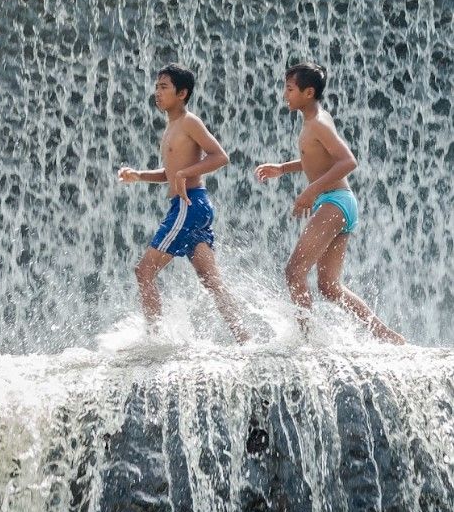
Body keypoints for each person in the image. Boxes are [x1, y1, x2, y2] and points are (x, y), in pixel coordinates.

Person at [254, 62, 404, 343]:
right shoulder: (314, 121)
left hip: (334, 202)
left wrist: (310, 192)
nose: (285, 94)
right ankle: (389, 337)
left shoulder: (319, 123)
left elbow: (348, 161)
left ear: (308, 92)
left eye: (289, 89)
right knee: (329, 287)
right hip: (340, 203)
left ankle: (307, 340)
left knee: (294, 271)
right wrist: (282, 169)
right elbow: (316, 160)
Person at [117, 63, 249, 343]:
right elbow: (170, 172)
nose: (157, 92)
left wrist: (185, 173)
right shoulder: (171, 127)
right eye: (156, 87)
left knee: (144, 271)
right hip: (195, 206)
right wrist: (139, 175)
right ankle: (245, 338)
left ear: (182, 93)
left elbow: (220, 156)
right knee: (211, 281)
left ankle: (155, 339)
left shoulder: (189, 122)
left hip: (188, 206)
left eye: (164, 87)